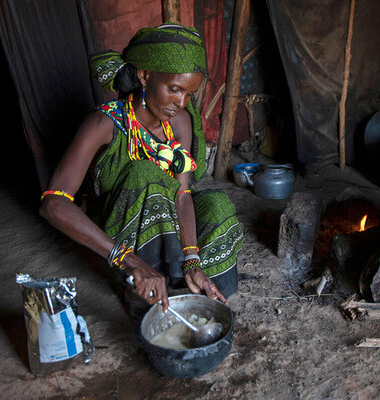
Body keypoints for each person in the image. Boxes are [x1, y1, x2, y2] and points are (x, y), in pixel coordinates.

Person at [39, 24, 243, 318]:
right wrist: (125, 259)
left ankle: (187, 282)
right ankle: (143, 284)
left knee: (216, 204)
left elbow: (182, 194)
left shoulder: (181, 121)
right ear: (144, 75)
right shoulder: (104, 125)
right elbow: (53, 204)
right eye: (174, 89)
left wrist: (192, 260)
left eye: (189, 93)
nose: (181, 103)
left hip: (169, 227)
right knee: (144, 175)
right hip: (125, 238)